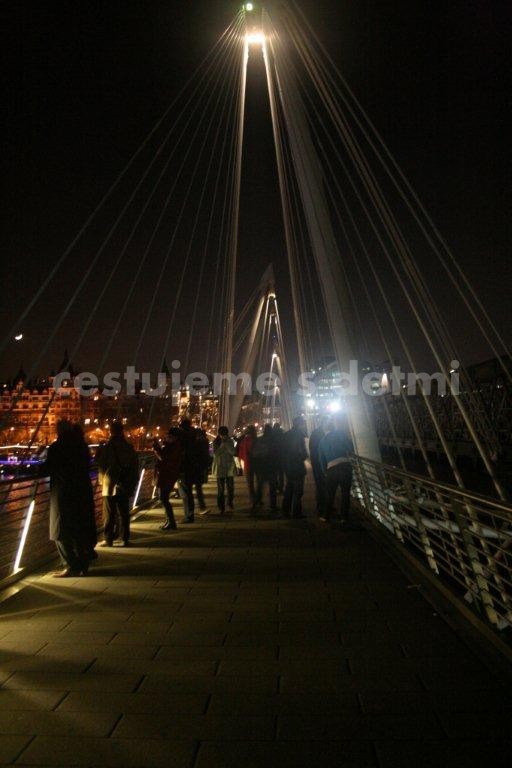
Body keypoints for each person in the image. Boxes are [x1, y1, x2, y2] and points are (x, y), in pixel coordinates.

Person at [40, 419, 95, 577]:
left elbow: (48, 468)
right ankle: (83, 564)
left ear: (59, 431)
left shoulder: (57, 447)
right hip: (82, 492)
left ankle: (71, 565)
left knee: (59, 531)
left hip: (64, 494)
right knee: (79, 530)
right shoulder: (81, 446)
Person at [96, 421, 139, 547]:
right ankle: (125, 538)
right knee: (124, 512)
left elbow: (101, 464)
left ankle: (109, 539)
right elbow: (134, 466)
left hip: (110, 484)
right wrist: (132, 482)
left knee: (109, 513)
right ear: (122, 431)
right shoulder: (129, 447)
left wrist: (101, 480)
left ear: (111, 431)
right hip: (125, 483)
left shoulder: (107, 447)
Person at [318, 416, 354, 524]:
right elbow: (349, 447)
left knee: (330, 494)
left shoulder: (321, 442)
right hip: (345, 466)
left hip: (331, 469)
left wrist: (325, 472)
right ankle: (344, 518)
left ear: (324, 429)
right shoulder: (340, 433)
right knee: (345, 494)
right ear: (333, 426)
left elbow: (321, 460)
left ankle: (325, 516)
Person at [153, 428, 183, 530]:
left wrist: (156, 447)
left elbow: (163, 458)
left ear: (175, 438)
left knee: (163, 498)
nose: (167, 438)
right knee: (163, 498)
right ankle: (169, 520)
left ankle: (171, 522)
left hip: (167, 475)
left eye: (169, 436)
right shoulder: (174, 446)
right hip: (168, 474)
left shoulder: (173, 447)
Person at [282, 416, 308, 519]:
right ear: (299, 424)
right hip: (297, 467)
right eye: (303, 424)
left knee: (289, 490)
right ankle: (296, 512)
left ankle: (285, 511)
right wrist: (304, 456)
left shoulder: (286, 435)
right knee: (298, 491)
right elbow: (303, 453)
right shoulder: (299, 435)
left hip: (288, 467)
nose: (304, 426)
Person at [251, 424, 278, 514]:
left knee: (260, 487)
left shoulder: (259, 440)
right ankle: (273, 505)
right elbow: (276, 454)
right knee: (272, 487)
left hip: (261, 467)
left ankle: (256, 503)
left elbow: (253, 454)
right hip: (271, 467)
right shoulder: (273, 441)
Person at [177, 419, 199, 523]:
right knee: (188, 492)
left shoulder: (184, 439)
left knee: (185, 494)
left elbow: (181, 453)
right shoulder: (193, 437)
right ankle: (190, 514)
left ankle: (188, 516)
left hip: (184, 469)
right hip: (192, 468)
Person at [309, 418, 331, 518]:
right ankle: (323, 507)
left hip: (317, 462)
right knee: (323, 485)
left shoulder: (315, 433)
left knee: (321, 485)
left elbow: (311, 448)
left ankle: (322, 506)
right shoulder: (321, 434)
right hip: (321, 463)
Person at [212, 426, 236, 513]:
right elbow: (216, 453)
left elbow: (233, 452)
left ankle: (229, 503)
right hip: (220, 467)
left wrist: (226, 444)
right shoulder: (216, 441)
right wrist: (223, 445)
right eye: (223, 435)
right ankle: (221, 507)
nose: (224, 437)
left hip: (229, 467)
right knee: (221, 489)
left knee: (230, 488)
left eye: (225, 435)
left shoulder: (230, 441)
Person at [237, 425, 257, 503]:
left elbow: (240, 453)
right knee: (258, 482)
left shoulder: (244, 441)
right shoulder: (256, 440)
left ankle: (252, 498)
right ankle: (258, 497)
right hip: (256, 463)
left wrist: (241, 462)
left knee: (250, 483)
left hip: (247, 463)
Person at [193, 429, 210, 512]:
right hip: (200, 467)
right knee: (198, 488)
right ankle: (201, 506)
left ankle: (200, 507)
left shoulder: (198, 443)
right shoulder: (205, 442)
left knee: (195, 488)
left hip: (195, 467)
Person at [272, 422, 286, 493]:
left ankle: (276, 486)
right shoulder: (282, 434)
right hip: (281, 456)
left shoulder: (272, 434)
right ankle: (281, 487)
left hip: (274, 457)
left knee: (274, 473)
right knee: (281, 473)